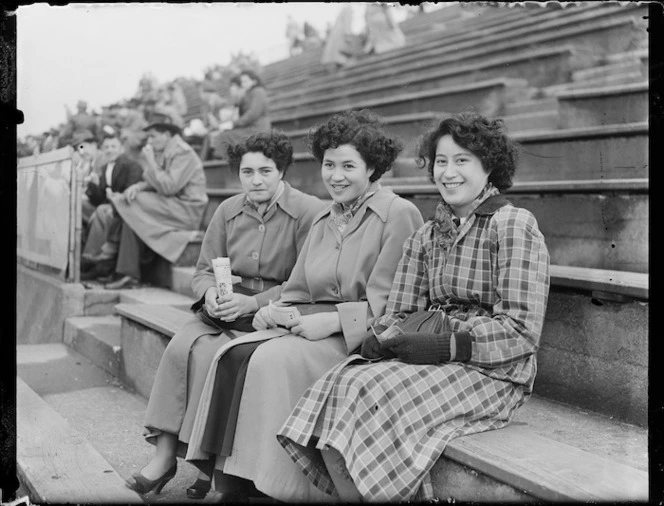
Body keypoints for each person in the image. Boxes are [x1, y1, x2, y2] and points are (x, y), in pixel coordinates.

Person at [277, 112, 551, 502]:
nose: (449, 172)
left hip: (495, 370)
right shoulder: (427, 233)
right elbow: (398, 312)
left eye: (462, 161)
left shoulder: (512, 224)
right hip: (436, 355)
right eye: (441, 161)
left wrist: (448, 346)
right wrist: (381, 338)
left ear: (489, 166)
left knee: (373, 392)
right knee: (344, 382)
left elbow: (522, 331)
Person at [183, 109, 424, 502]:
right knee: (231, 355)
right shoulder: (326, 217)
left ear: (373, 167)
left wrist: (331, 322)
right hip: (311, 326)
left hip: (359, 341)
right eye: (329, 165)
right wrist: (271, 309)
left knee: (267, 361)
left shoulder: (397, 213)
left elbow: (397, 303)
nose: (336, 175)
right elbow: (295, 288)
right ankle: (237, 483)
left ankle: (285, 489)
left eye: (349, 166)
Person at [125, 130, 326, 498]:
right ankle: (166, 456)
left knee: (217, 357)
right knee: (183, 346)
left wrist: (254, 303)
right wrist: (209, 295)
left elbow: (307, 282)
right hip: (226, 308)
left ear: (282, 170)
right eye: (247, 172)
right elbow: (202, 271)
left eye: (265, 171)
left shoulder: (309, 212)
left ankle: (209, 469)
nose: (256, 180)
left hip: (277, 309)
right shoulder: (228, 210)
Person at [94, 113, 208, 289]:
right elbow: (155, 182)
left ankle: (111, 250)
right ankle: (126, 272)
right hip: (169, 204)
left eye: (153, 136)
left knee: (128, 203)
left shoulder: (183, 152)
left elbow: (168, 186)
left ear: (167, 135)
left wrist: (151, 162)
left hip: (186, 210)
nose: (150, 141)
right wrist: (138, 186)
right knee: (130, 201)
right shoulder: (165, 150)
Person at [80, 134, 144, 280]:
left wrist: (114, 197)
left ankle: (92, 258)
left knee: (101, 212)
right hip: (109, 207)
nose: (109, 150)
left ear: (121, 148)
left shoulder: (132, 165)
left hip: (125, 208)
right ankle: (92, 259)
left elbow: (130, 192)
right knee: (94, 209)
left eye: (113, 146)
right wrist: (94, 185)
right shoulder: (104, 167)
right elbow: (99, 199)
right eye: (106, 147)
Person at [210, 70, 271, 161]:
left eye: (246, 81)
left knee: (224, 137)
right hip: (251, 127)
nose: (243, 84)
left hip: (258, 129)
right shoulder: (249, 94)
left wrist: (233, 124)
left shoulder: (258, 91)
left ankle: (230, 162)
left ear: (254, 81)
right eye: (242, 82)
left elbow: (253, 114)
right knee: (223, 135)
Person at [321, 4, 354, 70]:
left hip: (336, 31)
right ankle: (342, 63)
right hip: (341, 31)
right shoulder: (348, 9)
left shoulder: (343, 9)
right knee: (341, 48)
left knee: (337, 49)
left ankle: (339, 63)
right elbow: (347, 22)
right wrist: (348, 34)